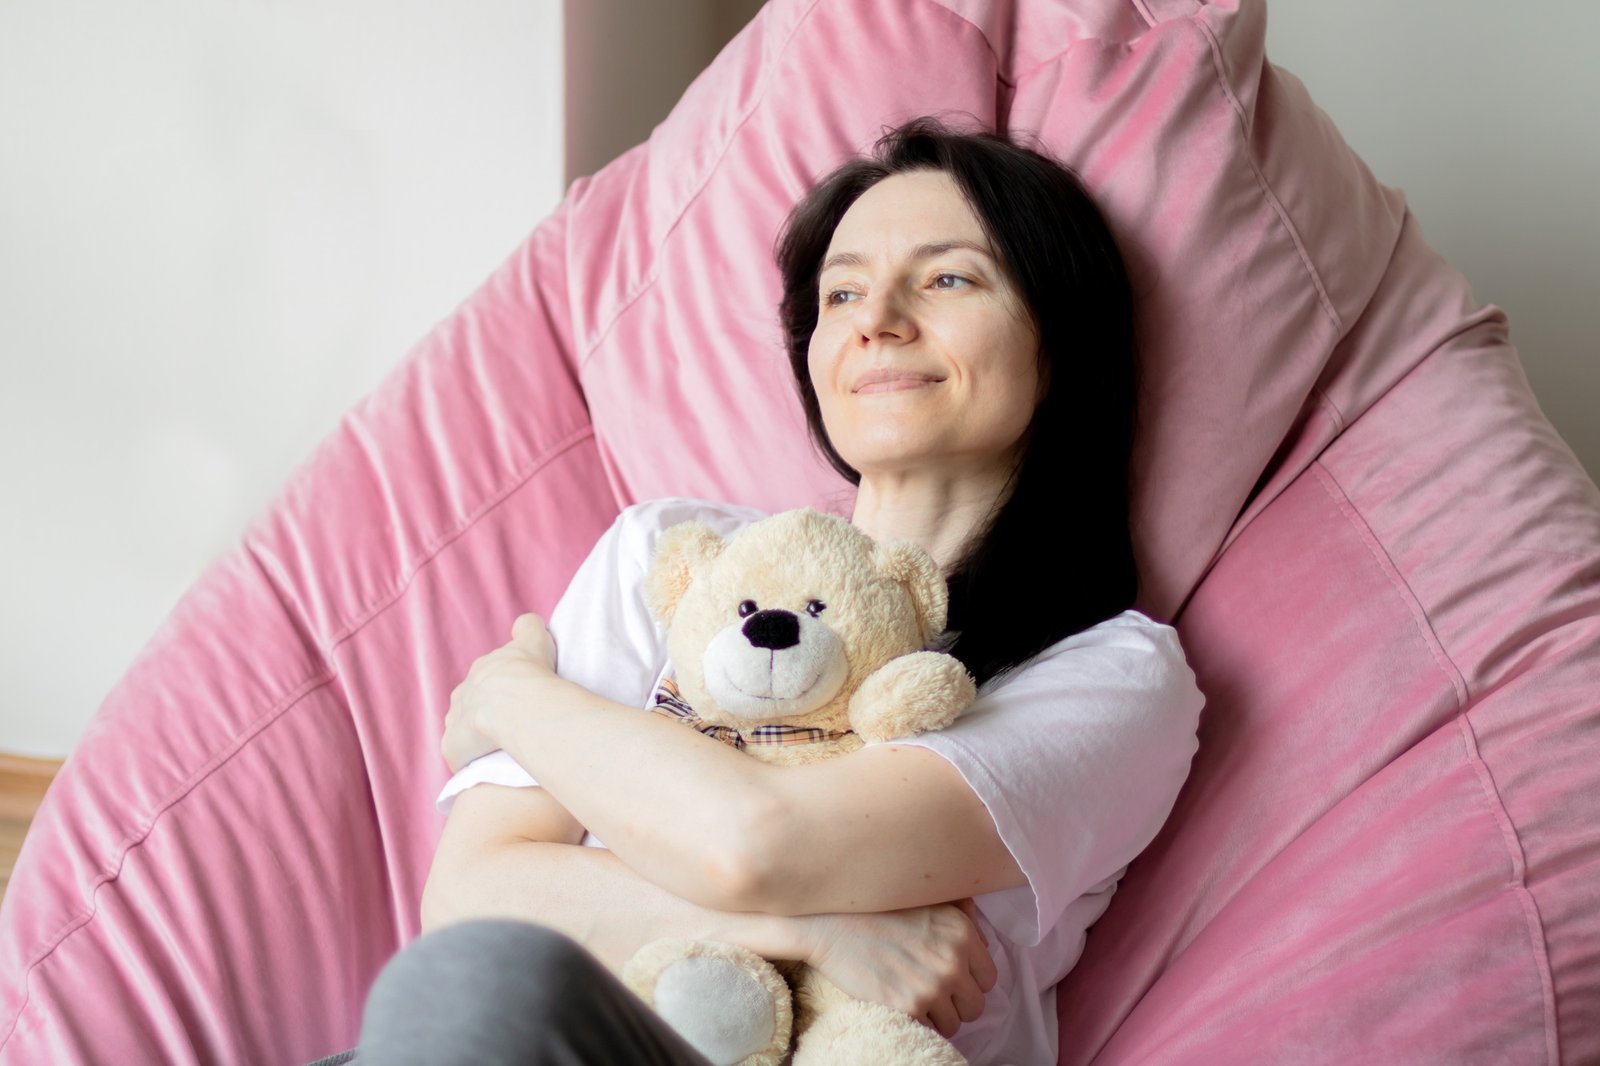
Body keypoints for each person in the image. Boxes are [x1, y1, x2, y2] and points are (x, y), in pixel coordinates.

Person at [330, 116, 1205, 1066]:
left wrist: (512, 697)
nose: (877, 318)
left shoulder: (1110, 675)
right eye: (842, 292)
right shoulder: (670, 556)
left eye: (949, 277)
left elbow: (760, 841)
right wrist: (815, 935)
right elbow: (471, 895)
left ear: (1060, 343)